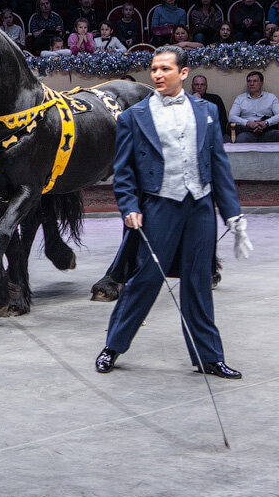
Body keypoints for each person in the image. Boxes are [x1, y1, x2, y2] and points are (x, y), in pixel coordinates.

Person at [97, 46, 250, 379]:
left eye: (165, 68)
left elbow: (219, 168)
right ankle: (113, 345)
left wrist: (233, 215)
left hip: (200, 208)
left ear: (183, 73)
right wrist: (129, 207)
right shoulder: (135, 117)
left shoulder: (207, 111)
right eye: (154, 69)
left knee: (198, 283)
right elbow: (123, 173)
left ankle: (209, 356)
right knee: (146, 280)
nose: (157, 74)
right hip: (160, 206)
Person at [228, 70, 279, 141]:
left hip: (267, 130)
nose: (251, 83)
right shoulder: (240, 98)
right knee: (241, 139)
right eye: (249, 81)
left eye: (255, 81)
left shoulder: (271, 97)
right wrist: (248, 123)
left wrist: (266, 123)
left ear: (261, 83)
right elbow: (231, 117)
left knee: (277, 134)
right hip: (248, 131)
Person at [191, 74, 229, 141]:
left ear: (206, 86)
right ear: (192, 86)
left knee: (226, 139)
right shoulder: (186, 100)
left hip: (213, 133)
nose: (199, 87)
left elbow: (223, 120)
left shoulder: (215, 99)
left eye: (202, 85)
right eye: (196, 84)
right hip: (193, 134)